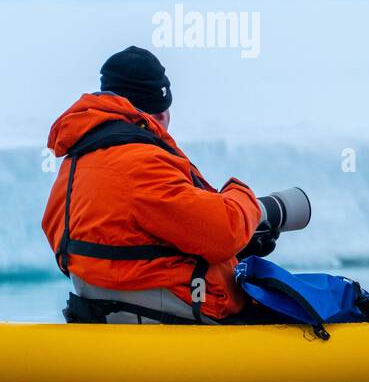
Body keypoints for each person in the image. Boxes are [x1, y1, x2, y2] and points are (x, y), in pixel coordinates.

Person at [41, 46, 274, 324]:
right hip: (167, 315)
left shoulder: (76, 160)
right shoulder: (140, 161)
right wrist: (252, 205)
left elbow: (114, 235)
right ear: (160, 113)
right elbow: (224, 232)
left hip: (102, 308)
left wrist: (238, 250)